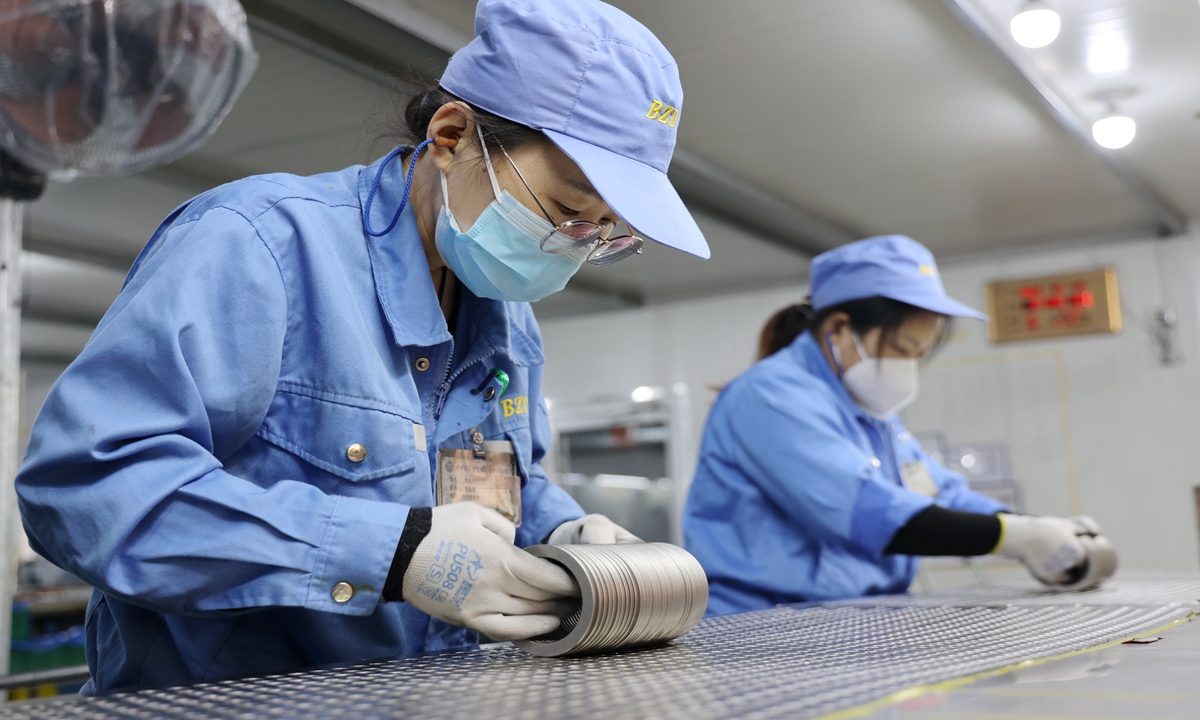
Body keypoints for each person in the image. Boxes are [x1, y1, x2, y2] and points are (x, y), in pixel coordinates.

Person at [16, 0, 708, 692]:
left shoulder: (504, 317)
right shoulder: (260, 246)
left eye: (602, 234)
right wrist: (390, 552)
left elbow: (489, 488)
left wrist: (562, 539)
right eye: (565, 212)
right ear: (452, 135)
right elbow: (84, 486)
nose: (570, 248)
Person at [683, 235, 1114, 616]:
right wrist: (1016, 538)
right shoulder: (770, 397)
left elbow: (938, 493)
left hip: (844, 622)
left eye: (920, 354)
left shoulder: (872, 414)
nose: (909, 367)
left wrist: (1035, 527)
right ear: (838, 329)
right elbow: (867, 510)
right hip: (760, 630)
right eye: (903, 348)